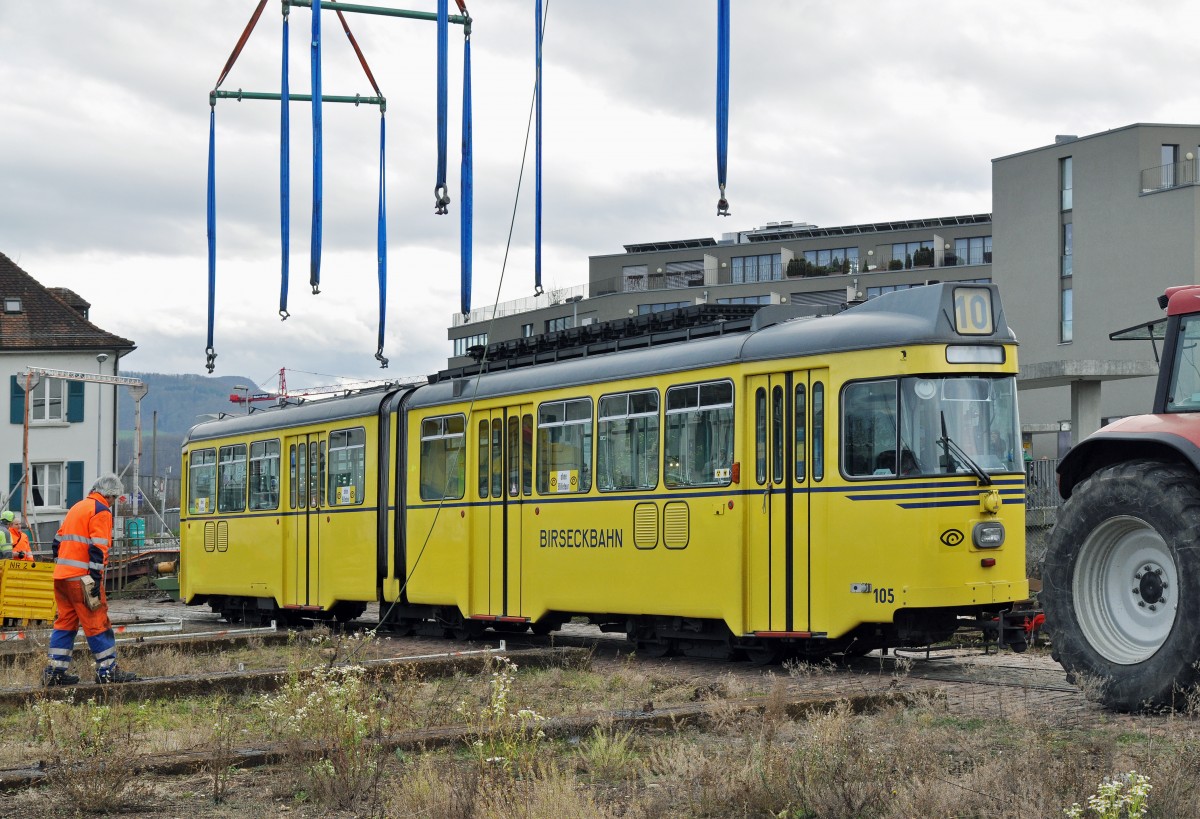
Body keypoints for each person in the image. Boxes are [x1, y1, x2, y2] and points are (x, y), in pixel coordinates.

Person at [43, 475, 139, 686]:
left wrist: (63, 565)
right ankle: (107, 670)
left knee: (65, 624)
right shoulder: (101, 511)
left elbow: (57, 541)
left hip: (62, 577)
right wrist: (95, 580)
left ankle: (54, 672)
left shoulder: (77, 507)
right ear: (109, 495)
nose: (113, 503)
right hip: (82, 579)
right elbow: (98, 548)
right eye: (114, 498)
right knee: (97, 622)